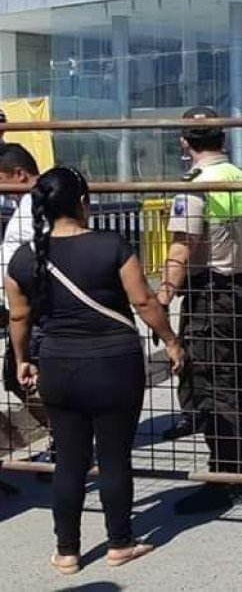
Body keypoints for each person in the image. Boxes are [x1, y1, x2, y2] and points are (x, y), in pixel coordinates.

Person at [6, 167, 185, 575]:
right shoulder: (112, 246)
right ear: (84, 202)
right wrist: (171, 341)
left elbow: (19, 316)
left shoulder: (24, 257)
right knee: (113, 457)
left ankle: (67, 552)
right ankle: (120, 543)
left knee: (69, 461)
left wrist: (21, 360)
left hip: (57, 365)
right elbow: (143, 302)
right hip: (114, 365)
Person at [157, 107, 242, 514]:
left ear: (185, 142)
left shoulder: (195, 186)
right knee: (237, 374)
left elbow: (182, 247)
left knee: (212, 382)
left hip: (210, 292)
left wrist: (163, 297)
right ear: (225, 137)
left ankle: (225, 476)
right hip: (241, 286)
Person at [0, 141, 56, 472]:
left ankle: (65, 439)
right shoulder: (33, 203)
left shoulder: (40, 204)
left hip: (33, 310)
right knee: (19, 377)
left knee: (28, 377)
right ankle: (64, 436)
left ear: (19, 175)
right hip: (25, 308)